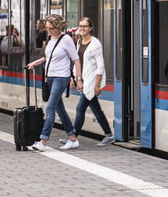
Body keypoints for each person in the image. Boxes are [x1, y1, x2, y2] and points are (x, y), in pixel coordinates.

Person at [24, 14, 81, 151]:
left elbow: (76, 60)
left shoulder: (66, 39)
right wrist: (35, 63)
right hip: (50, 78)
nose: (48, 31)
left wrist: (79, 79)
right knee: (59, 109)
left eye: (51, 28)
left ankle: (42, 141)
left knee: (50, 108)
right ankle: (72, 139)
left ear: (58, 27)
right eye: (47, 28)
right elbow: (47, 57)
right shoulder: (50, 38)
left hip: (61, 78)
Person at [70, 17, 115, 146]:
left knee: (80, 109)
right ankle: (109, 135)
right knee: (96, 110)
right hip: (83, 79)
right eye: (80, 26)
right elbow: (77, 61)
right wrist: (75, 78)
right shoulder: (79, 42)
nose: (82, 28)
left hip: (91, 81)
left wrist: (97, 85)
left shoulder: (95, 44)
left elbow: (100, 65)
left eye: (85, 26)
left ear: (90, 28)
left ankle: (73, 137)